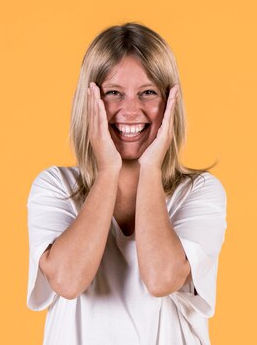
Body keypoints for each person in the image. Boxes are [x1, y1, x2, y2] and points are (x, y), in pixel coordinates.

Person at [26, 22, 227, 345]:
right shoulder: (56, 186)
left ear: (169, 103)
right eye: (113, 93)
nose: (131, 110)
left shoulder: (199, 192)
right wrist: (107, 170)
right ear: (89, 101)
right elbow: (67, 280)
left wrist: (150, 169)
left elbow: (162, 278)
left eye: (148, 93)